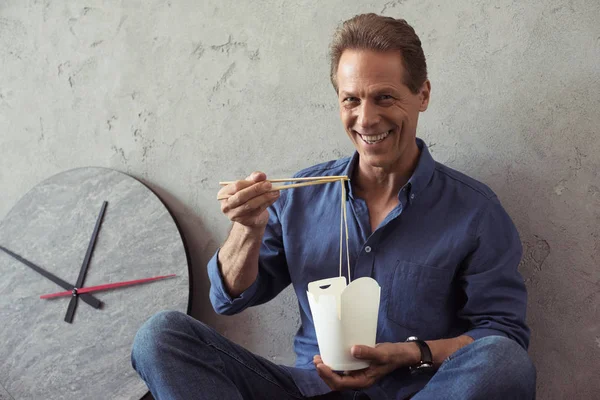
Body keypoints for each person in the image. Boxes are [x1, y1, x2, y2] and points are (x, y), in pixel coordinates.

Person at [132, 13, 536, 400]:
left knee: (504, 362)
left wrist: (408, 353)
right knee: (161, 335)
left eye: (384, 98)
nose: (366, 118)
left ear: (422, 94)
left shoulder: (475, 211)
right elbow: (230, 298)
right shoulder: (300, 196)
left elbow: (502, 334)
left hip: (419, 391)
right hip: (306, 390)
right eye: (351, 100)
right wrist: (247, 229)